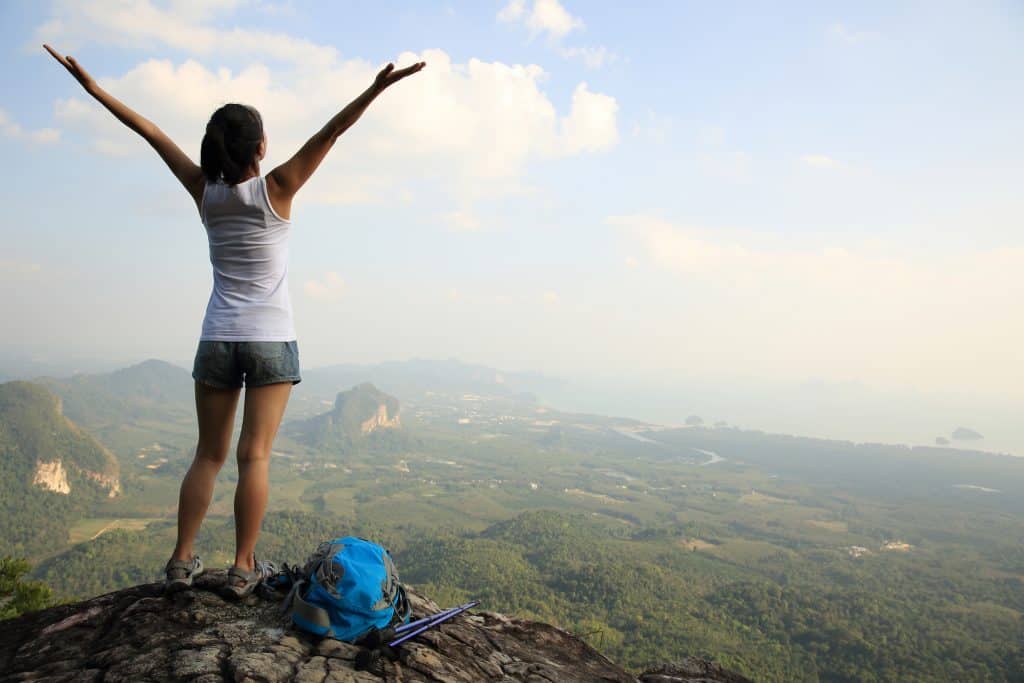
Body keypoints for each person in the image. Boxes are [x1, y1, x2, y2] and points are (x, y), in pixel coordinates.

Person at [44, 44, 425, 598]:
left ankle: (181, 560)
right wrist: (376, 88)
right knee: (255, 456)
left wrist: (94, 88)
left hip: (218, 337)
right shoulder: (277, 189)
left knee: (208, 454)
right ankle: (244, 567)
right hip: (271, 339)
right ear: (261, 148)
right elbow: (331, 132)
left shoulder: (205, 193)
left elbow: (150, 132)